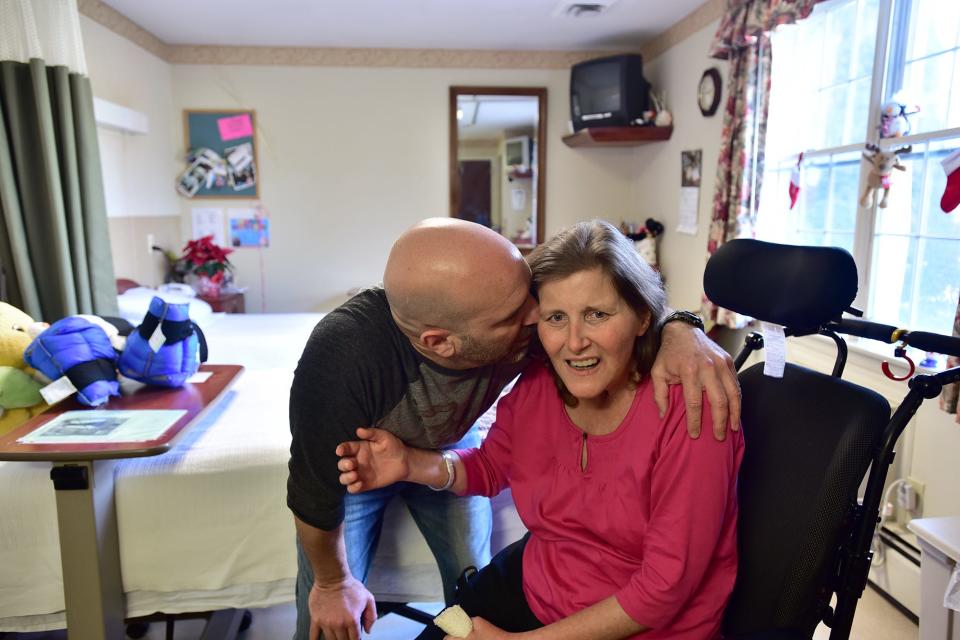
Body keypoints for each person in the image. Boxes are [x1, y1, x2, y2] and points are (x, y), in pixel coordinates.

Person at [289, 218, 741, 640]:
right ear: (441, 342)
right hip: (538, 584)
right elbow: (490, 465)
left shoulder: (690, 407)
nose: (570, 339)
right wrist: (408, 464)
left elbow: (666, 586)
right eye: (554, 317)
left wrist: (684, 326)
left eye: (597, 316)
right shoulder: (540, 374)